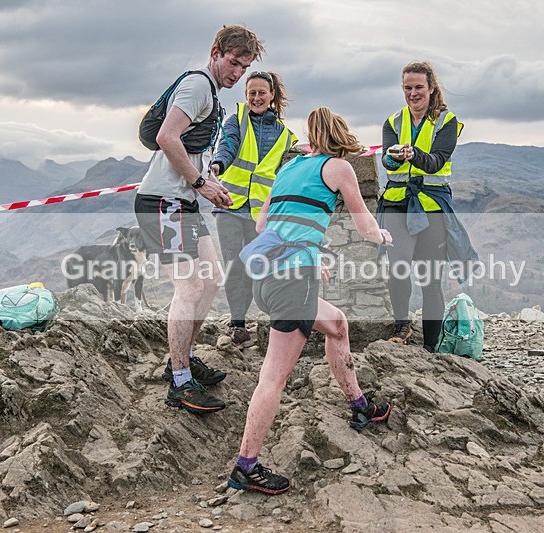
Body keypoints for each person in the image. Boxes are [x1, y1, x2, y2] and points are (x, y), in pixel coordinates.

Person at [227, 107, 394, 495]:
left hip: (266, 277)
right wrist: (381, 237)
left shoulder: (289, 168)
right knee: (274, 377)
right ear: (341, 135)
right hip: (292, 283)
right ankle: (245, 466)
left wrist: (309, 252)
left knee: (337, 325)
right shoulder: (337, 167)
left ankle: (360, 404)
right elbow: (364, 223)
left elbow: (262, 225)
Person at [134, 25, 265, 413]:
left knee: (210, 280)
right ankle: (179, 381)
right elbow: (166, 138)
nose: (237, 73)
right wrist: (200, 182)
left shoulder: (211, 93)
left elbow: (191, 150)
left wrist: (210, 181)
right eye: (234, 63)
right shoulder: (197, 86)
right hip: (163, 201)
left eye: (244, 67)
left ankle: (184, 359)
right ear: (216, 52)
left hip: (182, 201)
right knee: (189, 289)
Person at [379, 60, 470, 352]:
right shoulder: (392, 122)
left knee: (431, 277)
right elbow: (386, 160)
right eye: (408, 88)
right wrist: (393, 157)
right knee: (399, 265)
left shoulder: (447, 122)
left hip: (431, 203)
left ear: (431, 88)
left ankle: (432, 345)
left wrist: (413, 154)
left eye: (419, 87)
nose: (413, 93)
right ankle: (402, 325)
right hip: (397, 202)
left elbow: (436, 162)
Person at [211, 71, 296, 348]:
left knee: (259, 266)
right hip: (229, 205)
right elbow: (228, 145)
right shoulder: (235, 119)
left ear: (272, 95)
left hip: (262, 213)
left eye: (262, 93)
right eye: (252, 93)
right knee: (234, 264)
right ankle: (238, 324)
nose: (257, 98)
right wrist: (217, 165)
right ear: (246, 95)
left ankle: (274, 322)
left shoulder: (286, 136)